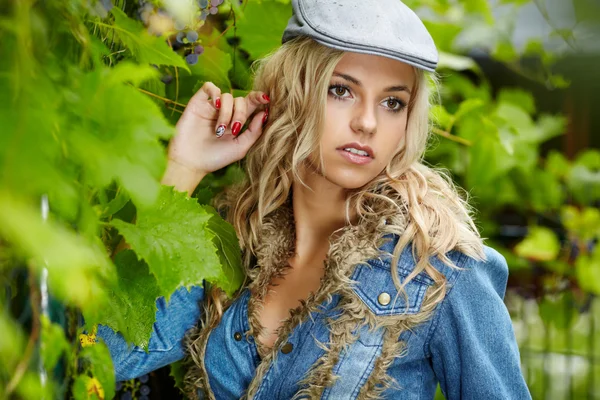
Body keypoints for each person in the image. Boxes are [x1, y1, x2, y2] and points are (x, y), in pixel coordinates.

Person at [99, 0, 533, 398]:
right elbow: (104, 351)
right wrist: (184, 169)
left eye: (393, 103)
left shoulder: (437, 268)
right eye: (341, 90)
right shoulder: (233, 241)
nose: (367, 123)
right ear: (293, 91)